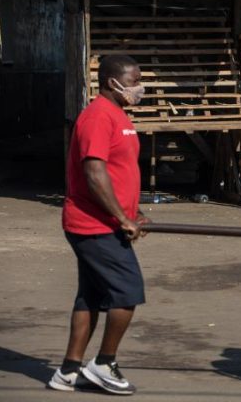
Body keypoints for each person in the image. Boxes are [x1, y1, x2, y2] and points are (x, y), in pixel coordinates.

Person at [49, 55, 149, 395]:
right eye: (134, 80)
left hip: (109, 221)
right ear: (112, 82)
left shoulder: (119, 116)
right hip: (93, 224)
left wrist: (134, 212)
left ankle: (67, 372)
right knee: (127, 292)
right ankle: (104, 363)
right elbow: (94, 173)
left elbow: (121, 172)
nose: (140, 87)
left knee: (90, 297)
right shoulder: (96, 117)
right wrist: (122, 219)